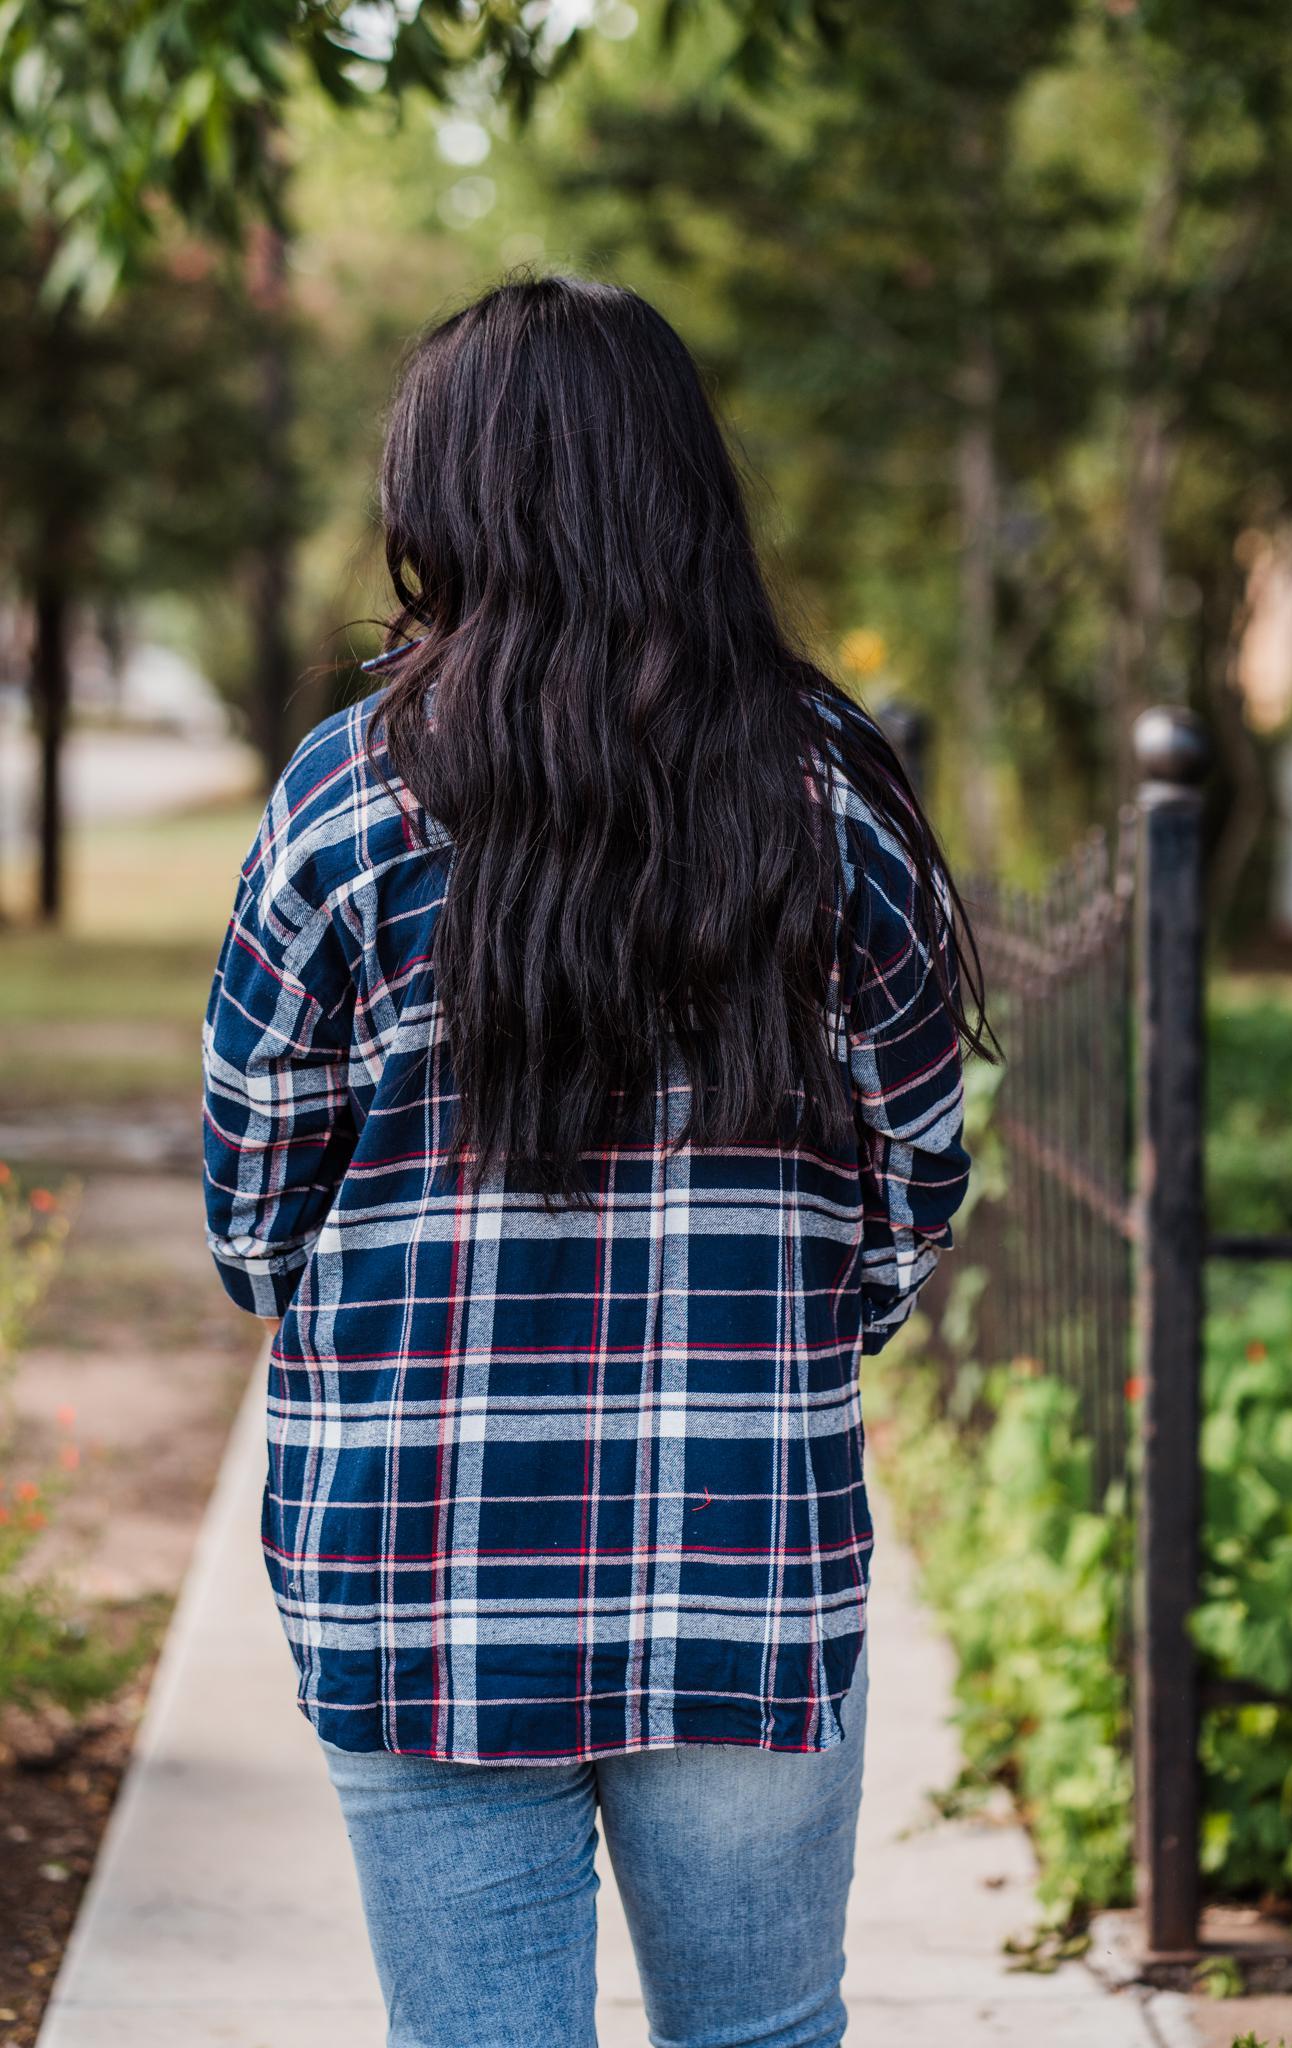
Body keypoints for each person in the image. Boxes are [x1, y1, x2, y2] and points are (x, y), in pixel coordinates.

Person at [201, 275, 983, 2048]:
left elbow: (252, 1215)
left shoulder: (336, 807)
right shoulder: (831, 799)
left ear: (444, 499)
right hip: (740, 1561)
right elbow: (915, 1183)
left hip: (416, 1571)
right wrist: (761, 1340)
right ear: (682, 489)